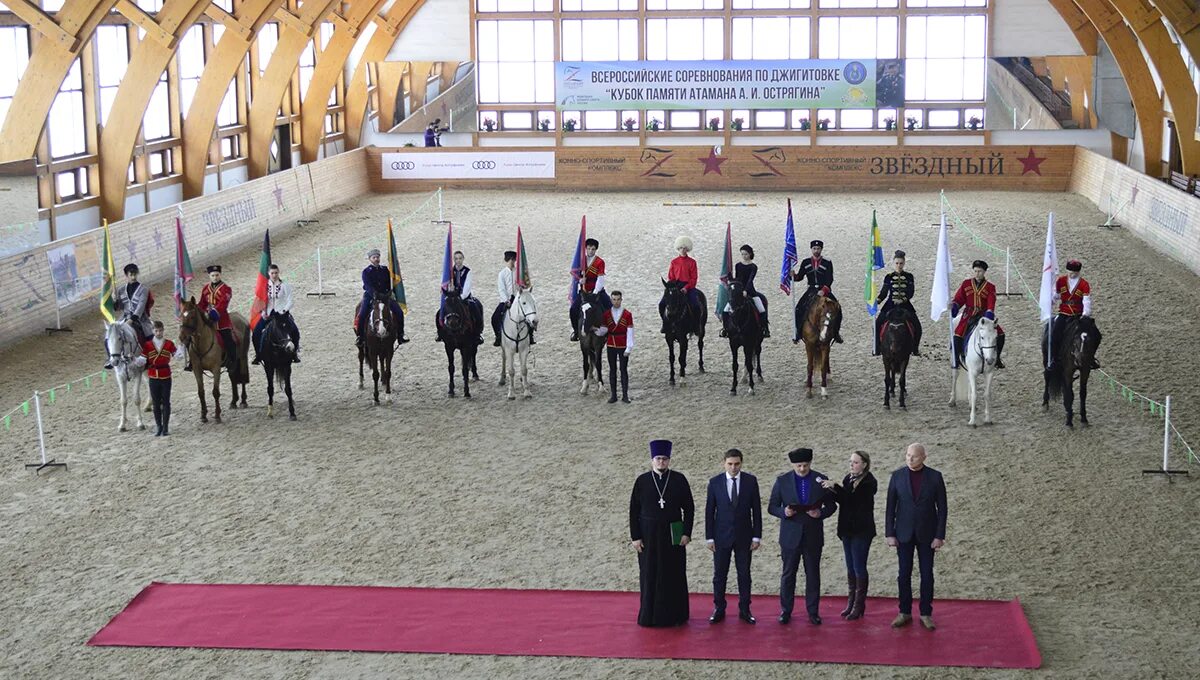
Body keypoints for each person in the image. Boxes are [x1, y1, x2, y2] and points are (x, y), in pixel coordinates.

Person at [768, 447, 837, 625]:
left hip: (813, 535)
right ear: (793, 465)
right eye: (798, 466)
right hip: (790, 536)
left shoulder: (820, 479)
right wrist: (784, 512)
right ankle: (786, 611)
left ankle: (813, 612)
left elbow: (832, 505)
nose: (802, 469)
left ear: (810, 463)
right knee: (788, 574)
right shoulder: (782, 481)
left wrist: (820, 513)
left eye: (805, 465)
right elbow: (772, 507)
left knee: (813, 574)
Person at [630, 439, 695, 627]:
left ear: (669, 460)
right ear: (652, 460)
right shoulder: (642, 481)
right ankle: (649, 616)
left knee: (673, 573)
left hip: (673, 533)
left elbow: (689, 508)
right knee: (649, 574)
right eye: (658, 459)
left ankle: (676, 616)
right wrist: (635, 537)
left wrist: (686, 533)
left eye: (665, 459)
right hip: (648, 535)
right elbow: (634, 510)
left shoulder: (679, 479)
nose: (661, 462)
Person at [885, 443, 948, 631]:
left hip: (927, 534)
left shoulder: (935, 477)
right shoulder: (897, 476)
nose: (910, 459)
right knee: (904, 574)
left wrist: (939, 535)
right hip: (903, 534)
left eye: (914, 456)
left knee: (927, 574)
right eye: (907, 455)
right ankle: (904, 611)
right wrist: (890, 533)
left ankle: (925, 613)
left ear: (924, 457)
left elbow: (942, 509)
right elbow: (890, 508)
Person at [705, 448, 763, 625]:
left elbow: (757, 511)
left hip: (745, 536)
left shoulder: (751, 481)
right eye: (730, 464)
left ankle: (745, 609)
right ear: (724, 463)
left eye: (737, 464)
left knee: (744, 574)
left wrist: (756, 536)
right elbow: (709, 511)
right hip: (721, 536)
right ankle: (719, 608)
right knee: (719, 575)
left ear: (741, 463)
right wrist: (709, 537)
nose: (733, 467)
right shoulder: (715, 482)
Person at [821, 450, 878, 620]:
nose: (851, 465)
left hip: (861, 531)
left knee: (859, 566)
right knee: (850, 567)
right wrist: (831, 490)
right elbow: (844, 500)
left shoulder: (869, 482)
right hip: (847, 530)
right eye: (850, 462)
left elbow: (854, 500)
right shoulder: (849, 478)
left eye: (855, 462)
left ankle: (858, 605)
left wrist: (835, 487)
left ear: (864, 464)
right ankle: (852, 602)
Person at [952, 260, 1005, 368]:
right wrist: (955, 306)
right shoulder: (966, 284)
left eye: (979, 271)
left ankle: (997, 357)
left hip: (983, 314)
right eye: (975, 271)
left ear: (984, 272)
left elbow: (991, 301)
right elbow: (959, 298)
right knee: (958, 333)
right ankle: (956, 358)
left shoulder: (990, 287)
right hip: (969, 314)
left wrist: (989, 312)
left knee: (1000, 334)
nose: (977, 273)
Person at [1049, 259, 1099, 369]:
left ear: (1078, 272)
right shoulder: (1061, 281)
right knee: (1055, 334)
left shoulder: (1084, 284)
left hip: (1078, 315)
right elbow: (1056, 296)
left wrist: (1086, 314)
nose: (1072, 274)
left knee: (1096, 334)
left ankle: (1091, 358)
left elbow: (1086, 300)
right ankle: (1054, 359)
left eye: (1074, 273)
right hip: (1064, 313)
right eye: (1070, 272)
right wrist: (1050, 301)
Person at [792, 239, 843, 344]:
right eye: (814, 248)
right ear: (811, 249)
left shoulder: (827, 262)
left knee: (837, 309)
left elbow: (830, 279)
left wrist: (824, 290)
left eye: (818, 248)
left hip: (824, 289)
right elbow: (800, 276)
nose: (816, 250)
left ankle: (836, 333)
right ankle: (798, 332)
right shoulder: (806, 262)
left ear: (821, 249)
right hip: (811, 290)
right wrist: (793, 276)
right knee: (798, 308)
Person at [873, 250, 922, 356]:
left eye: (901, 263)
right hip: (890, 305)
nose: (899, 265)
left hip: (905, 305)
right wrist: (878, 300)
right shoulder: (888, 277)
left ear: (904, 263)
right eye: (897, 263)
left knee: (918, 326)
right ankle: (877, 348)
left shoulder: (909, 276)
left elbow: (911, 292)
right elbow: (884, 293)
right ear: (893, 263)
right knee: (877, 324)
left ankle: (915, 348)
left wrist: (903, 299)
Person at [139, 320, 184, 437]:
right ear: (153, 331)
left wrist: (181, 348)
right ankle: (158, 426)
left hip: (166, 375)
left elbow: (178, 357)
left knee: (166, 402)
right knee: (156, 402)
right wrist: (133, 360)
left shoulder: (169, 344)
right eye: (156, 331)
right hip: (153, 376)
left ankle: (165, 427)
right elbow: (142, 360)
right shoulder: (148, 345)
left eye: (160, 330)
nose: (158, 333)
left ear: (163, 330)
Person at [356, 248, 408, 349]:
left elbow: (389, 283)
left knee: (399, 312)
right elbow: (367, 285)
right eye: (374, 257)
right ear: (370, 259)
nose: (376, 259)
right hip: (371, 296)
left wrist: (389, 292)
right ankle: (360, 337)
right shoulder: (366, 272)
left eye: (377, 257)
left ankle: (400, 335)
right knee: (362, 314)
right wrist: (375, 294)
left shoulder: (384, 269)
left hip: (385, 296)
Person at [105, 263, 154, 368]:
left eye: (135, 274)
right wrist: (114, 300)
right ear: (126, 275)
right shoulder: (121, 290)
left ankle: (151, 358)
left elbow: (140, 307)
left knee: (149, 334)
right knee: (109, 334)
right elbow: (118, 307)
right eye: (131, 275)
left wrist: (131, 320)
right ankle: (110, 358)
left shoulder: (144, 290)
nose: (133, 277)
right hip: (124, 317)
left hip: (140, 319)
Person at [252, 263, 300, 364]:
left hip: (282, 314)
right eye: (272, 273)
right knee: (256, 333)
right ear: (269, 274)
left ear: (278, 273)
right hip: (268, 314)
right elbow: (260, 300)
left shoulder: (284, 285)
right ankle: (258, 355)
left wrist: (284, 311)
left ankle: (294, 353)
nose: (274, 275)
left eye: (276, 273)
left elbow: (290, 300)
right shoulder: (264, 286)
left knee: (295, 331)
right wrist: (263, 312)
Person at [720, 244, 770, 339]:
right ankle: (725, 329)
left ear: (750, 254)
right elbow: (738, 278)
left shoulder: (753, 266)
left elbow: (750, 280)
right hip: (738, 290)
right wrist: (731, 278)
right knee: (725, 310)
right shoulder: (738, 265)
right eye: (742, 254)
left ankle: (764, 328)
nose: (744, 256)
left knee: (761, 308)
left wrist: (746, 290)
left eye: (746, 254)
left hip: (750, 290)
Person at [194, 265, 236, 373]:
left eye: (217, 275)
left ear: (220, 275)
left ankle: (232, 361)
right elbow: (202, 304)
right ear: (209, 276)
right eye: (213, 275)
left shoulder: (226, 289)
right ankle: (193, 360)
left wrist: (212, 313)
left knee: (228, 340)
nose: (215, 277)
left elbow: (223, 304)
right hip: (207, 319)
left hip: (221, 320)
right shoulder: (205, 289)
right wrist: (195, 311)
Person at [569, 238, 611, 341]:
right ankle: (576, 331)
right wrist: (580, 281)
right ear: (586, 249)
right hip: (584, 291)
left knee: (610, 307)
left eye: (593, 249)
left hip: (596, 291)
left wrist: (595, 293)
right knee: (573, 309)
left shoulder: (600, 262)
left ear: (596, 249)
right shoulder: (581, 261)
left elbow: (600, 279)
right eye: (588, 249)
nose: (590, 251)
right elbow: (576, 276)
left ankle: (610, 331)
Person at [439, 250, 484, 345]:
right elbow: (445, 284)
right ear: (453, 260)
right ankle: (440, 332)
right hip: (452, 297)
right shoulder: (449, 272)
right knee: (441, 311)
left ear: (463, 259)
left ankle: (477, 333)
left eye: (460, 258)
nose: (458, 260)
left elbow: (467, 286)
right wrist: (449, 291)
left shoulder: (468, 271)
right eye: (456, 259)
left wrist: (461, 297)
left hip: (464, 297)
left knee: (475, 309)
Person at [659, 236, 700, 333]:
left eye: (685, 248)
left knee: (695, 304)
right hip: (675, 286)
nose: (683, 250)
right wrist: (672, 287)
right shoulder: (674, 262)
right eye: (681, 248)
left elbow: (694, 278)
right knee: (662, 304)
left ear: (688, 249)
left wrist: (686, 288)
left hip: (688, 286)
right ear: (678, 249)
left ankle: (696, 326)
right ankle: (665, 324)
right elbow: (671, 277)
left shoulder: (692, 262)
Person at [602, 290, 633, 404]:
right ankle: (613, 395)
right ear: (611, 300)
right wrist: (595, 330)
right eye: (614, 299)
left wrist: (629, 347)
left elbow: (630, 331)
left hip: (623, 344)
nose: (616, 302)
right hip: (611, 344)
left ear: (621, 300)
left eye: (618, 299)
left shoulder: (627, 314)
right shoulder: (606, 314)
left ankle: (625, 395)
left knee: (623, 370)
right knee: (612, 370)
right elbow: (604, 330)